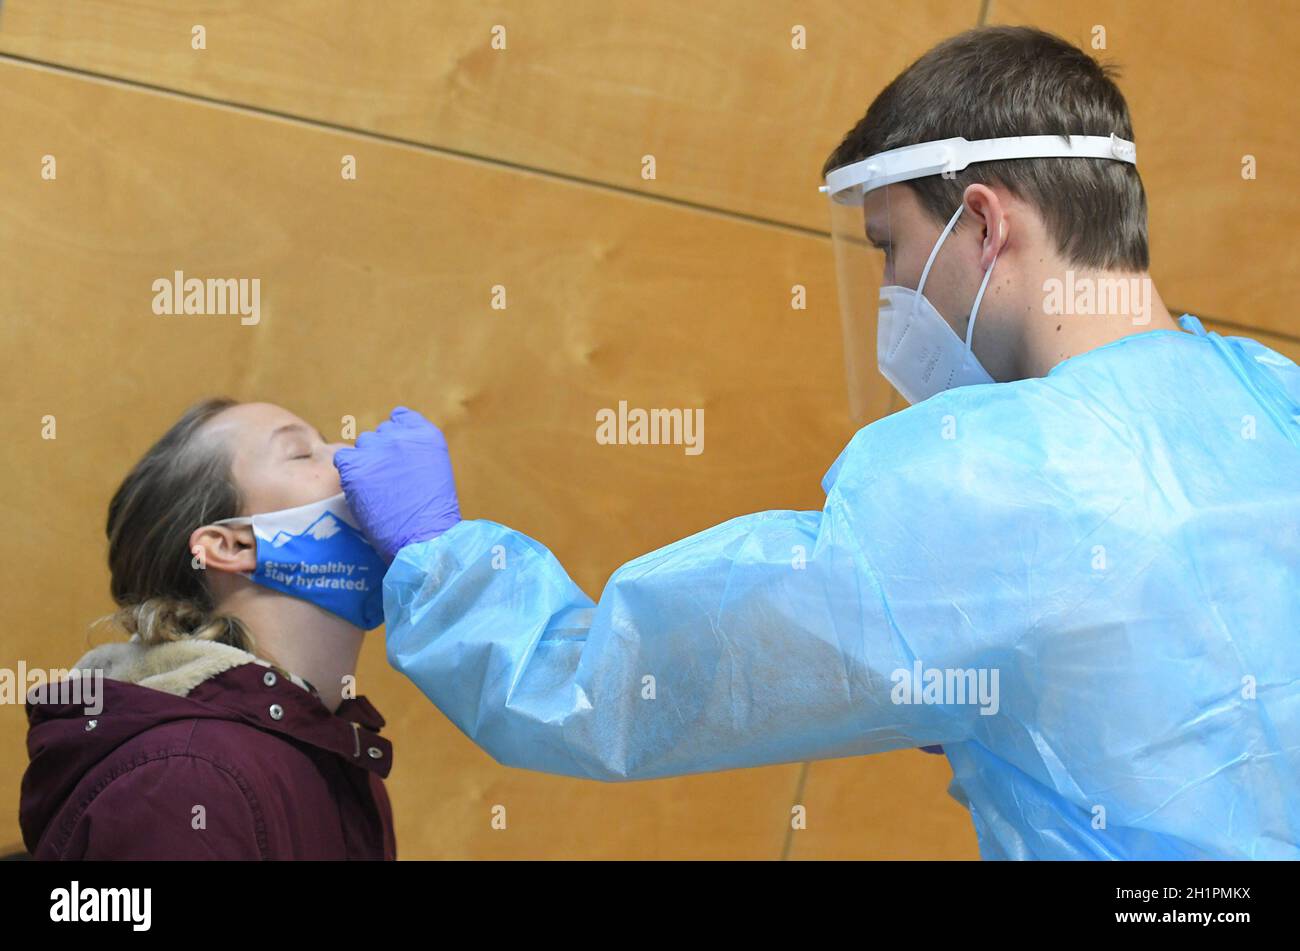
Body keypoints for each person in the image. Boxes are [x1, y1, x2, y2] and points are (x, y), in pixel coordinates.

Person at [336, 27, 1300, 859]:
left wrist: (438, 559)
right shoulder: (1274, 401)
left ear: (983, 222)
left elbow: (617, 686)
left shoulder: (999, 480)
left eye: (888, 247)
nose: (887, 291)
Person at [21, 399, 397, 860]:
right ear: (232, 544)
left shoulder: (333, 750)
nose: (347, 453)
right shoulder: (183, 780)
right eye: (303, 453)